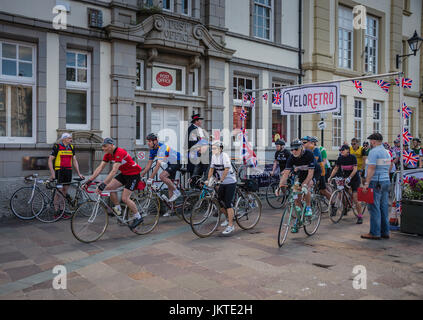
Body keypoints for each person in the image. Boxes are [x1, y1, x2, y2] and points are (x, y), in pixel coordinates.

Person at [85, 138, 144, 229]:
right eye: (102, 146)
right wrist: (89, 180)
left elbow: (113, 171)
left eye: (105, 146)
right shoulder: (108, 154)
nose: (103, 148)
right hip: (124, 174)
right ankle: (118, 210)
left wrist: (103, 184)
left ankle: (138, 217)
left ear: (111, 145)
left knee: (125, 198)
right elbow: (99, 168)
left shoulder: (119, 152)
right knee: (109, 188)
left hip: (133, 175)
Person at [279, 139, 316, 233]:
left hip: (312, 173)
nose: (294, 151)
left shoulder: (309, 154)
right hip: (300, 174)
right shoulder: (291, 157)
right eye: (292, 149)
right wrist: (280, 185)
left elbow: (311, 173)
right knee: (296, 196)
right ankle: (298, 220)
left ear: (301, 148)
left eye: (296, 149)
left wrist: (305, 184)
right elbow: (286, 173)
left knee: (306, 186)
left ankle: (308, 207)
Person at [141, 133, 182, 212]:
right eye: (147, 141)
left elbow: (158, 165)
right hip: (170, 163)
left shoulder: (162, 148)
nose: (148, 143)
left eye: (149, 141)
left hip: (177, 161)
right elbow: (149, 165)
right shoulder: (152, 150)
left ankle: (177, 192)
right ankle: (171, 208)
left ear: (155, 141)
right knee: (170, 186)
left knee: (162, 176)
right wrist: (141, 174)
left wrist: (151, 177)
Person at [361, 133, 391, 240]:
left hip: (375, 181)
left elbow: (371, 168)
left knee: (374, 207)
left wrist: (366, 183)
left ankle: (375, 233)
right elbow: (388, 167)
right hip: (385, 181)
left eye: (370, 141)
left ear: (373, 141)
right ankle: (385, 232)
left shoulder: (374, 152)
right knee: (383, 207)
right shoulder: (387, 152)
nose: (370, 143)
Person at [48, 133, 84, 218]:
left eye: (71, 138)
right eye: (69, 138)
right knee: (58, 192)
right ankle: (56, 211)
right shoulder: (57, 147)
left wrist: (79, 173)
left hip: (68, 171)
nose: (71, 140)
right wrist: (53, 173)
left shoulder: (71, 148)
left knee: (64, 191)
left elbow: (74, 161)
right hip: (59, 171)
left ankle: (62, 211)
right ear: (64, 139)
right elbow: (49, 160)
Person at [206, 141, 237, 236]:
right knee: (219, 201)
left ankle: (231, 225)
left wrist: (221, 180)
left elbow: (226, 169)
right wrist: (208, 180)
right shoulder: (214, 157)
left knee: (228, 203)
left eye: (215, 148)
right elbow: (211, 169)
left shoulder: (224, 156)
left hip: (230, 181)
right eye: (213, 148)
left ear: (221, 148)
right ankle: (229, 218)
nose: (213, 149)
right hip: (222, 182)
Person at [328, 145, 363, 224]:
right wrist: (330, 177)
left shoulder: (352, 157)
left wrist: (350, 177)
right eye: (340, 150)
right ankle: (345, 208)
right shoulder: (340, 158)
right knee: (341, 194)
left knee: (355, 198)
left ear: (348, 150)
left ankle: (360, 216)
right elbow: (336, 168)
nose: (341, 151)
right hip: (345, 178)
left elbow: (355, 169)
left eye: (343, 150)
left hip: (354, 179)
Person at [302, 136, 331, 202]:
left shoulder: (316, 150)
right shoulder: (305, 150)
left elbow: (314, 161)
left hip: (320, 171)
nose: (303, 144)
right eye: (302, 143)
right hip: (311, 171)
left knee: (323, 190)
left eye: (304, 142)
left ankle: (333, 203)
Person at [187, 113, 209, 178]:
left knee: (199, 174)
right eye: (200, 120)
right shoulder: (192, 129)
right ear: (196, 121)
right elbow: (194, 143)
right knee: (194, 174)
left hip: (200, 155)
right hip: (195, 155)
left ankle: (198, 186)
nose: (201, 121)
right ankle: (194, 187)